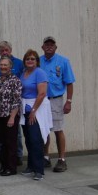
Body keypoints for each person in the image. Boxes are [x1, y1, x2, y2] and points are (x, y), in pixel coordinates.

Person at [40, 36, 75, 172]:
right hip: (42, 101)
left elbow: (69, 82)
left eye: (51, 44)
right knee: (44, 130)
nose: (49, 46)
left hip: (56, 100)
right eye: (46, 44)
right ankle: (45, 157)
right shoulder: (38, 61)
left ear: (56, 47)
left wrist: (69, 101)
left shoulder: (63, 61)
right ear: (42, 47)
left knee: (58, 130)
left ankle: (62, 160)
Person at [19, 49, 52, 181]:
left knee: (35, 139)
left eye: (32, 59)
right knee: (28, 138)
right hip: (25, 108)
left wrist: (33, 111)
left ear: (37, 61)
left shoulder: (40, 73)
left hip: (36, 108)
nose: (30, 61)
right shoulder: (23, 73)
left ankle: (39, 170)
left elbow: (42, 93)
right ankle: (31, 166)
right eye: (27, 59)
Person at [0, 40, 24, 165]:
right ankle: (1, 157)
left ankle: (17, 156)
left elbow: (18, 93)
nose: (4, 52)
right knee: (0, 136)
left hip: (13, 108)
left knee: (15, 135)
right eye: (2, 50)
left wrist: (13, 114)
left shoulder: (19, 63)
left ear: (10, 50)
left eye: (6, 50)